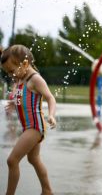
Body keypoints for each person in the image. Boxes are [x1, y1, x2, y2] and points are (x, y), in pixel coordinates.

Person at [0, 44, 57, 195]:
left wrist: (51, 115)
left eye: (11, 71)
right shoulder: (21, 77)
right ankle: (47, 190)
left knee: (12, 160)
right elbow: (25, 97)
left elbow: (51, 98)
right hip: (28, 126)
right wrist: (14, 103)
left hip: (35, 126)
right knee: (34, 159)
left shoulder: (35, 79)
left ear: (24, 64)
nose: (11, 75)